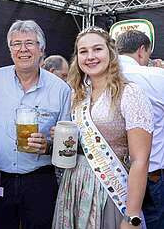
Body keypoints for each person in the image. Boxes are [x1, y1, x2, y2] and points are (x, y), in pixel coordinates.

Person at [52, 26, 153, 229]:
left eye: (97, 49)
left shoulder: (130, 93)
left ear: (110, 52)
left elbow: (140, 161)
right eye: (83, 51)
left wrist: (132, 217)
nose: (90, 56)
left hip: (111, 191)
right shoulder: (78, 94)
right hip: (74, 186)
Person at [0, 20, 71, 229]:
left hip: (40, 180)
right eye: (16, 44)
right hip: (0, 178)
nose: (23, 49)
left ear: (41, 49)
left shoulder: (60, 89)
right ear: (10, 50)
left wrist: (48, 145)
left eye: (29, 43)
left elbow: (68, 143)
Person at [116, 30, 164, 229]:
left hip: (109, 174)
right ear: (142, 51)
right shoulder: (157, 76)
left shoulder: (95, 76)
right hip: (151, 175)